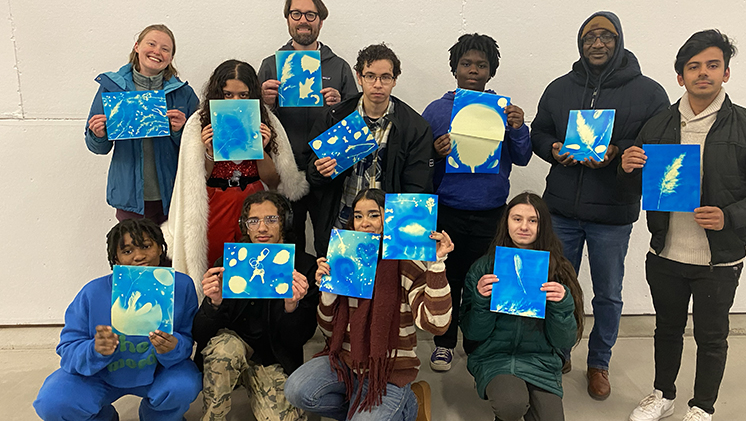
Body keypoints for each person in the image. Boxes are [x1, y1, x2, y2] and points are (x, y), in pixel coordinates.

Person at [621, 30, 746, 421]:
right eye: (693, 67)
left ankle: (702, 407)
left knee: (711, 337)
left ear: (726, 73)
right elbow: (639, 186)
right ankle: (663, 394)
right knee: (666, 328)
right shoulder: (658, 125)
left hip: (719, 258)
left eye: (712, 65)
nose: (703, 73)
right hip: (665, 251)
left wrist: (729, 216)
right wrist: (627, 168)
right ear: (680, 77)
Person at [529, 11, 669, 399]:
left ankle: (599, 363)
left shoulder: (649, 92)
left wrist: (617, 151)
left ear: (619, 40)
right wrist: (552, 148)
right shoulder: (559, 88)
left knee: (608, 294)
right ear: (580, 42)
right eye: (590, 36)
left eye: (606, 36)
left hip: (612, 213)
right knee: (557, 287)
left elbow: (657, 144)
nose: (597, 43)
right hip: (561, 211)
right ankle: (557, 353)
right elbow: (539, 131)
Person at [284, 188, 453, 421]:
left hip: (389, 372)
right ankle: (367, 409)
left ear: (389, 217)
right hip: (346, 363)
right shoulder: (345, 258)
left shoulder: (407, 262)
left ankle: (406, 405)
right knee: (296, 391)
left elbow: (437, 324)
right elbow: (327, 329)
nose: (365, 223)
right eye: (358, 215)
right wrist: (328, 291)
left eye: (374, 215)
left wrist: (437, 264)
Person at [421, 33, 532, 371]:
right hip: (449, 210)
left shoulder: (505, 111)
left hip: (491, 211)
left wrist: (518, 127)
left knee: (481, 280)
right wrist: (434, 153)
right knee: (448, 278)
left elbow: (524, 157)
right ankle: (444, 343)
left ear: (491, 70)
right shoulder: (438, 110)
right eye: (466, 63)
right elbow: (420, 162)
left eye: (481, 65)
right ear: (454, 67)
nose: (473, 70)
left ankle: (475, 342)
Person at [163, 60, 308, 297]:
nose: (235, 102)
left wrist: (261, 149)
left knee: (252, 263)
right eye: (228, 94)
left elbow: (274, 183)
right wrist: (209, 151)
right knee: (215, 262)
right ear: (216, 93)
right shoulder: (200, 121)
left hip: (253, 201)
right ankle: (214, 312)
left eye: (243, 95)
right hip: (214, 203)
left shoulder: (266, 120)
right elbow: (193, 181)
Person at [33, 218, 200, 421]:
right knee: (52, 402)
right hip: (99, 375)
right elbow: (67, 347)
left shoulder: (181, 286)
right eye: (128, 251)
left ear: (160, 248)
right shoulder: (92, 292)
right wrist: (94, 350)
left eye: (146, 246)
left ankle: (159, 417)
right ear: (116, 258)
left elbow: (188, 337)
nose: (139, 256)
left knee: (184, 385)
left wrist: (173, 346)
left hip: (159, 373)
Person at [193, 191, 319, 420]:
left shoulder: (304, 266)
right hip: (232, 348)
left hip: (274, 356)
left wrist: (292, 307)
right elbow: (200, 334)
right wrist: (213, 304)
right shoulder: (228, 263)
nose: (262, 228)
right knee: (223, 352)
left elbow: (299, 338)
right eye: (254, 221)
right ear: (245, 226)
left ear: (285, 222)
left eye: (271, 219)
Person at [460, 192, 584, 421]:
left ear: (543, 225)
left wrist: (562, 306)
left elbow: (564, 342)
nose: (524, 226)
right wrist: (482, 301)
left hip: (541, 360)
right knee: (511, 405)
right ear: (506, 222)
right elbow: (473, 334)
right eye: (517, 219)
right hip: (494, 357)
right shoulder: (484, 268)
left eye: (533, 220)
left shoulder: (559, 270)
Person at [258, 0, 359, 254]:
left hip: (326, 168)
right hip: (282, 169)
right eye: (296, 14)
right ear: (288, 19)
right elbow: (252, 124)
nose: (303, 20)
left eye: (310, 15)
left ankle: (326, 295)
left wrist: (340, 106)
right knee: (287, 240)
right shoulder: (270, 65)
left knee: (329, 240)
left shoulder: (339, 67)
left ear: (321, 21)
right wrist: (265, 103)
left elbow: (357, 124)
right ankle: (292, 296)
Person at [307, 43, 434, 256]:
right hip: (342, 224)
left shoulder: (415, 127)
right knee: (342, 288)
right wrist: (319, 170)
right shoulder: (335, 117)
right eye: (370, 76)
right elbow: (312, 172)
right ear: (359, 77)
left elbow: (417, 190)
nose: (377, 84)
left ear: (394, 80)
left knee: (385, 288)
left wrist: (400, 239)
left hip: (389, 232)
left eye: (385, 77)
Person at [85, 24, 199, 224]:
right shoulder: (112, 88)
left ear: (171, 58)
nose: (157, 51)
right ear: (137, 46)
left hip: (173, 197)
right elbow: (98, 148)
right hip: (129, 197)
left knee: (170, 255)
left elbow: (197, 149)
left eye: (165, 49)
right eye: (151, 44)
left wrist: (180, 132)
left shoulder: (184, 94)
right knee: (136, 254)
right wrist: (98, 134)